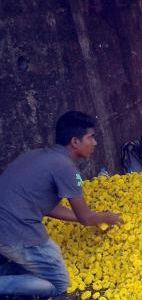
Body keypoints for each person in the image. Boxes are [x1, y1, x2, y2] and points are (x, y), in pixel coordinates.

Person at [0, 111, 121, 297]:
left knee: (35, 272)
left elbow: (48, 206)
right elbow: (85, 217)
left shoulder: (38, 155)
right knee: (58, 284)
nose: (95, 143)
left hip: (6, 228)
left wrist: (92, 218)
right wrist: (105, 217)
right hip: (17, 234)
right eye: (91, 137)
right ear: (75, 142)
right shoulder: (67, 169)